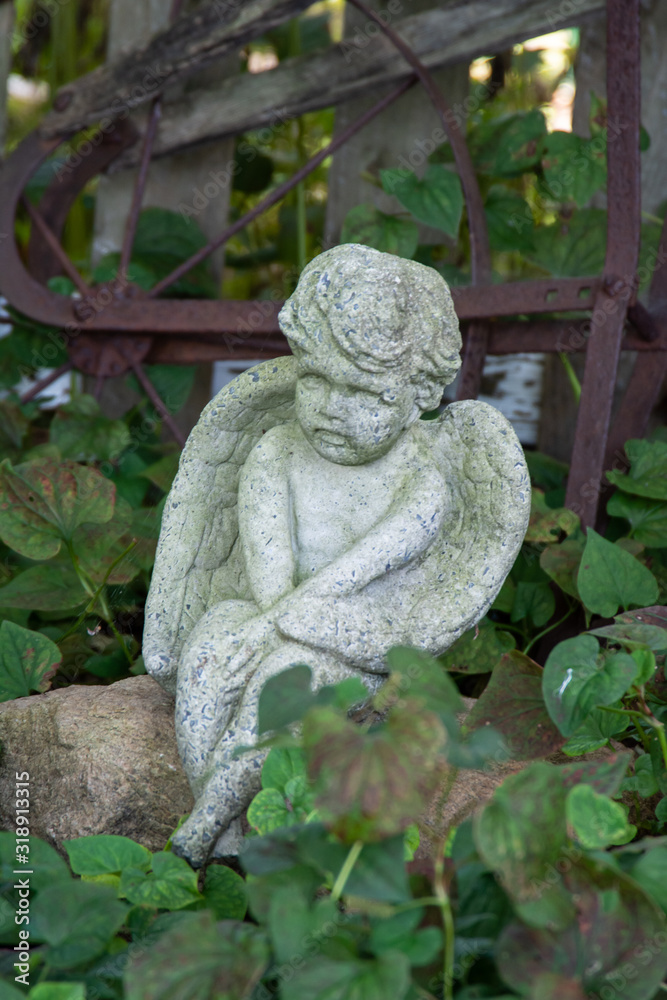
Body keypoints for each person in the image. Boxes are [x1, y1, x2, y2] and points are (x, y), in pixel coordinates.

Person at [170, 245, 463, 865]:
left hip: (353, 631)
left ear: (420, 397)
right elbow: (270, 578)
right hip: (274, 605)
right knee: (205, 657)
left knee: (281, 682)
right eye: (314, 380)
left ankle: (203, 830)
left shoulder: (421, 480)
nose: (332, 409)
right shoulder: (276, 451)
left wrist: (277, 628)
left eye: (367, 395)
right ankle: (220, 816)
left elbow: (348, 580)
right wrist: (257, 627)